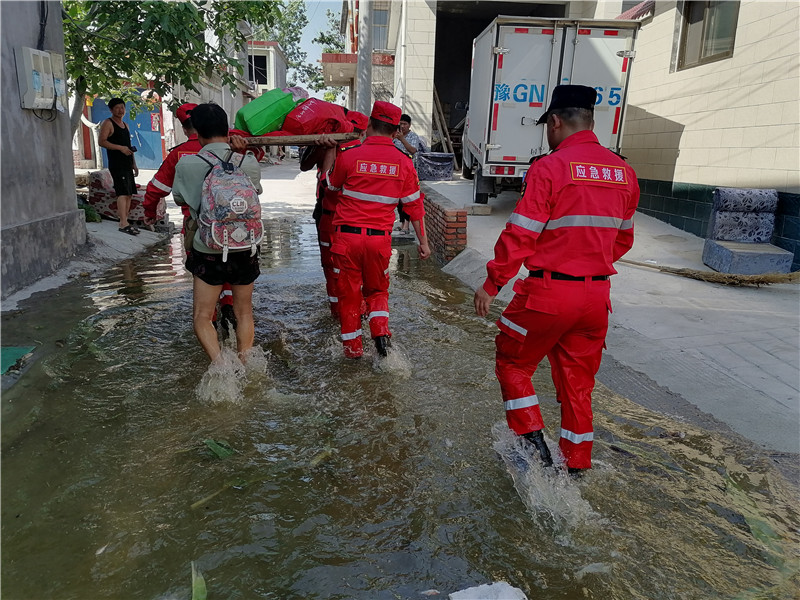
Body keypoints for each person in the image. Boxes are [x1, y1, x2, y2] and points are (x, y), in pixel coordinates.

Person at [473, 85, 640, 477]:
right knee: (578, 385)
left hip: (548, 294)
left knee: (513, 363)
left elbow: (521, 234)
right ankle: (577, 467)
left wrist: (493, 283)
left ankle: (534, 450)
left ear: (555, 121)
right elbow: (624, 239)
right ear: (592, 122)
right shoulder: (625, 173)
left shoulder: (549, 168)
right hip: (596, 297)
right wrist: (588, 261)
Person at [319, 101, 431, 359]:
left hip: (346, 239)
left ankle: (353, 353)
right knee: (377, 290)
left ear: (368, 125)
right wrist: (423, 243)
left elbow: (330, 189)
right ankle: (380, 334)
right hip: (378, 241)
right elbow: (415, 207)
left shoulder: (349, 156)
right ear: (395, 132)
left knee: (349, 296)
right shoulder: (403, 163)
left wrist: (328, 156)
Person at [172, 103, 263, 364]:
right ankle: (244, 364)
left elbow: (180, 199)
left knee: (202, 315)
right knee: (244, 311)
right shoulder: (248, 161)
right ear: (227, 129)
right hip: (245, 246)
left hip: (208, 248)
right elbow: (254, 193)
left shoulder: (187, 164)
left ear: (197, 132)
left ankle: (221, 365)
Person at [142, 103, 237, 335]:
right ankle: (229, 309)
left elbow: (156, 188)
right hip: (234, 228)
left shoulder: (179, 155)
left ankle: (210, 325)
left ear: (187, 128)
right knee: (231, 271)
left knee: (204, 278)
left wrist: (150, 213)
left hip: (198, 229)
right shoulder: (236, 150)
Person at [300, 110, 368, 320]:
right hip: (332, 215)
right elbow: (305, 165)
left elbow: (327, 184)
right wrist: (323, 146)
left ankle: (348, 313)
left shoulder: (362, 152)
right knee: (338, 268)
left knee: (342, 269)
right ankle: (346, 313)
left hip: (345, 217)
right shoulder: (330, 144)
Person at [98, 98, 140, 236]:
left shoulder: (126, 125)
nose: (120, 110)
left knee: (129, 192)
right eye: (117, 107)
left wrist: (134, 164)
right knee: (122, 192)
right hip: (116, 163)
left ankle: (126, 221)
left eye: (122, 107)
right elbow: (102, 142)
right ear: (111, 110)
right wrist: (120, 148)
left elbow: (128, 146)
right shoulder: (108, 123)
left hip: (127, 163)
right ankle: (122, 223)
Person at [393, 114, 428, 234]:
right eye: (401, 124)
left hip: (409, 174)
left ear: (409, 125)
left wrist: (402, 139)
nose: (402, 126)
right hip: (397, 173)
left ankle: (406, 226)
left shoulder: (413, 137)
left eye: (405, 124)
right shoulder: (394, 136)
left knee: (407, 200)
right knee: (399, 201)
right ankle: (402, 223)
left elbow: (412, 151)